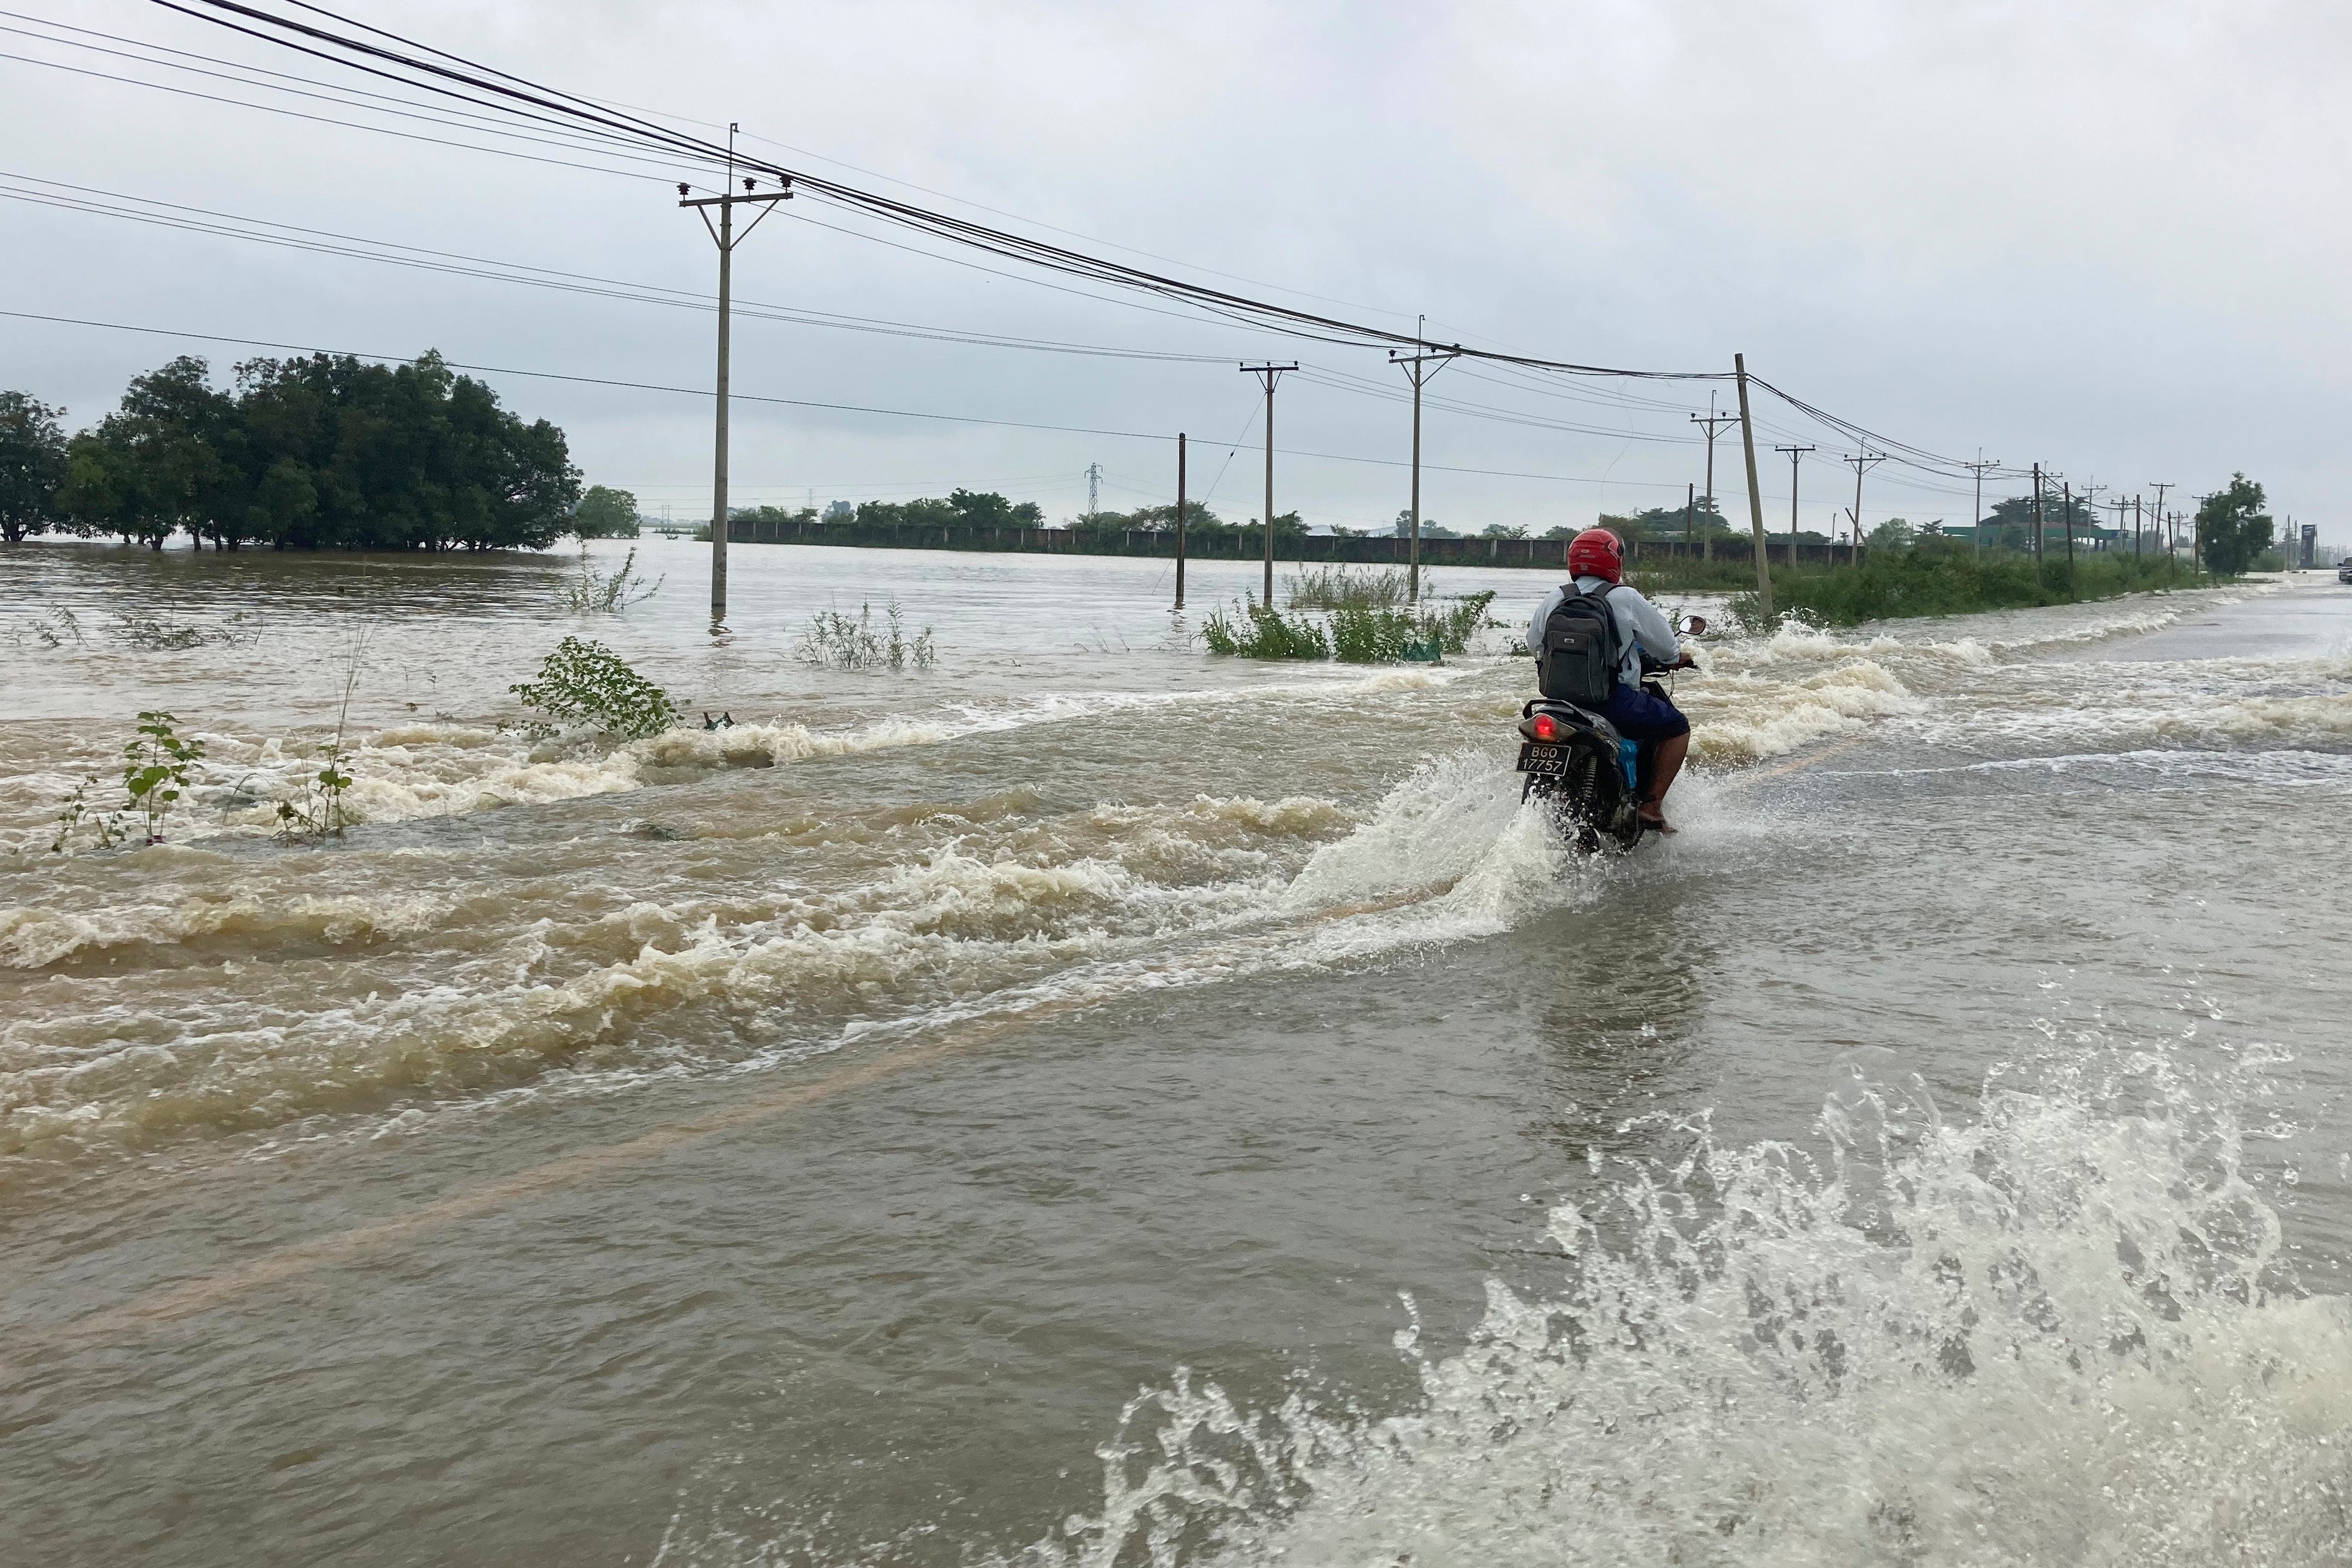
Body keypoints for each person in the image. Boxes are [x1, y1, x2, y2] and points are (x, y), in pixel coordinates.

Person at [1525, 527, 1696, 831]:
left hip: (1556, 704)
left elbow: (1533, 644)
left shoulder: (1557, 596)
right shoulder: (1625, 598)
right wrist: (1675, 659)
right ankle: (1652, 806)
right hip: (1612, 701)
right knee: (1677, 727)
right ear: (1614, 560)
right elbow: (1668, 649)